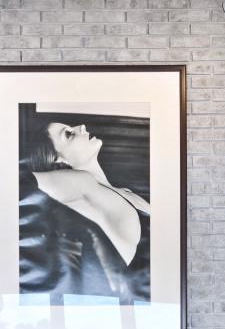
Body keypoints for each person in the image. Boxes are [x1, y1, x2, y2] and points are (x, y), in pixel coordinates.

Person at [18, 116, 152, 302]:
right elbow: (14, 180)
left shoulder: (122, 192)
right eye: (69, 134)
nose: (81, 126)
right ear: (59, 160)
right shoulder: (82, 183)